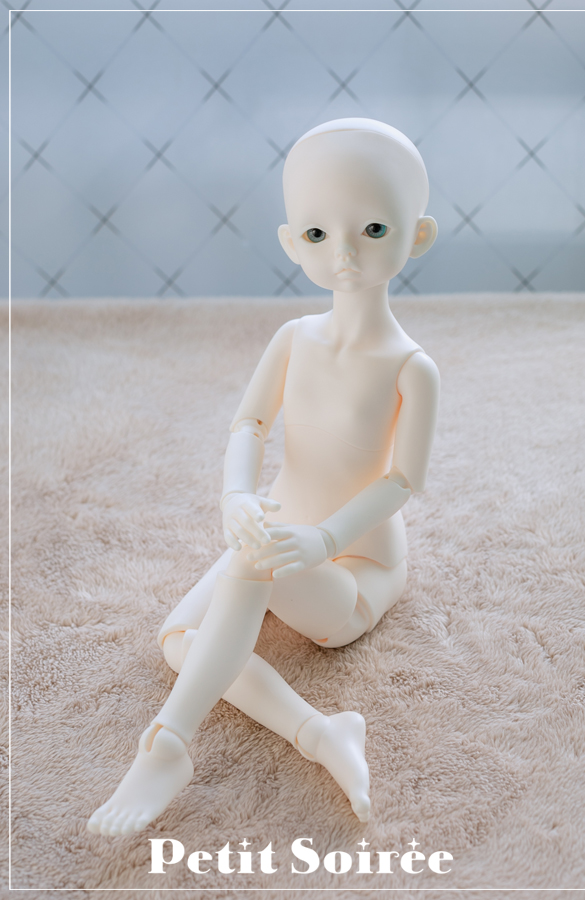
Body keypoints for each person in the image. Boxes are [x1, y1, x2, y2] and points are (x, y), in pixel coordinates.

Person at [87, 118, 440, 837]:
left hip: (356, 570)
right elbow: (248, 425)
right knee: (178, 639)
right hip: (281, 528)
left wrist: (325, 539)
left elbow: (404, 480)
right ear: (291, 242)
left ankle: (168, 743)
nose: (344, 253)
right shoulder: (293, 338)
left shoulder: (412, 368)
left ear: (419, 235)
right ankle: (323, 733)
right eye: (317, 234)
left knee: (250, 566)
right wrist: (236, 495)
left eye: (373, 229)